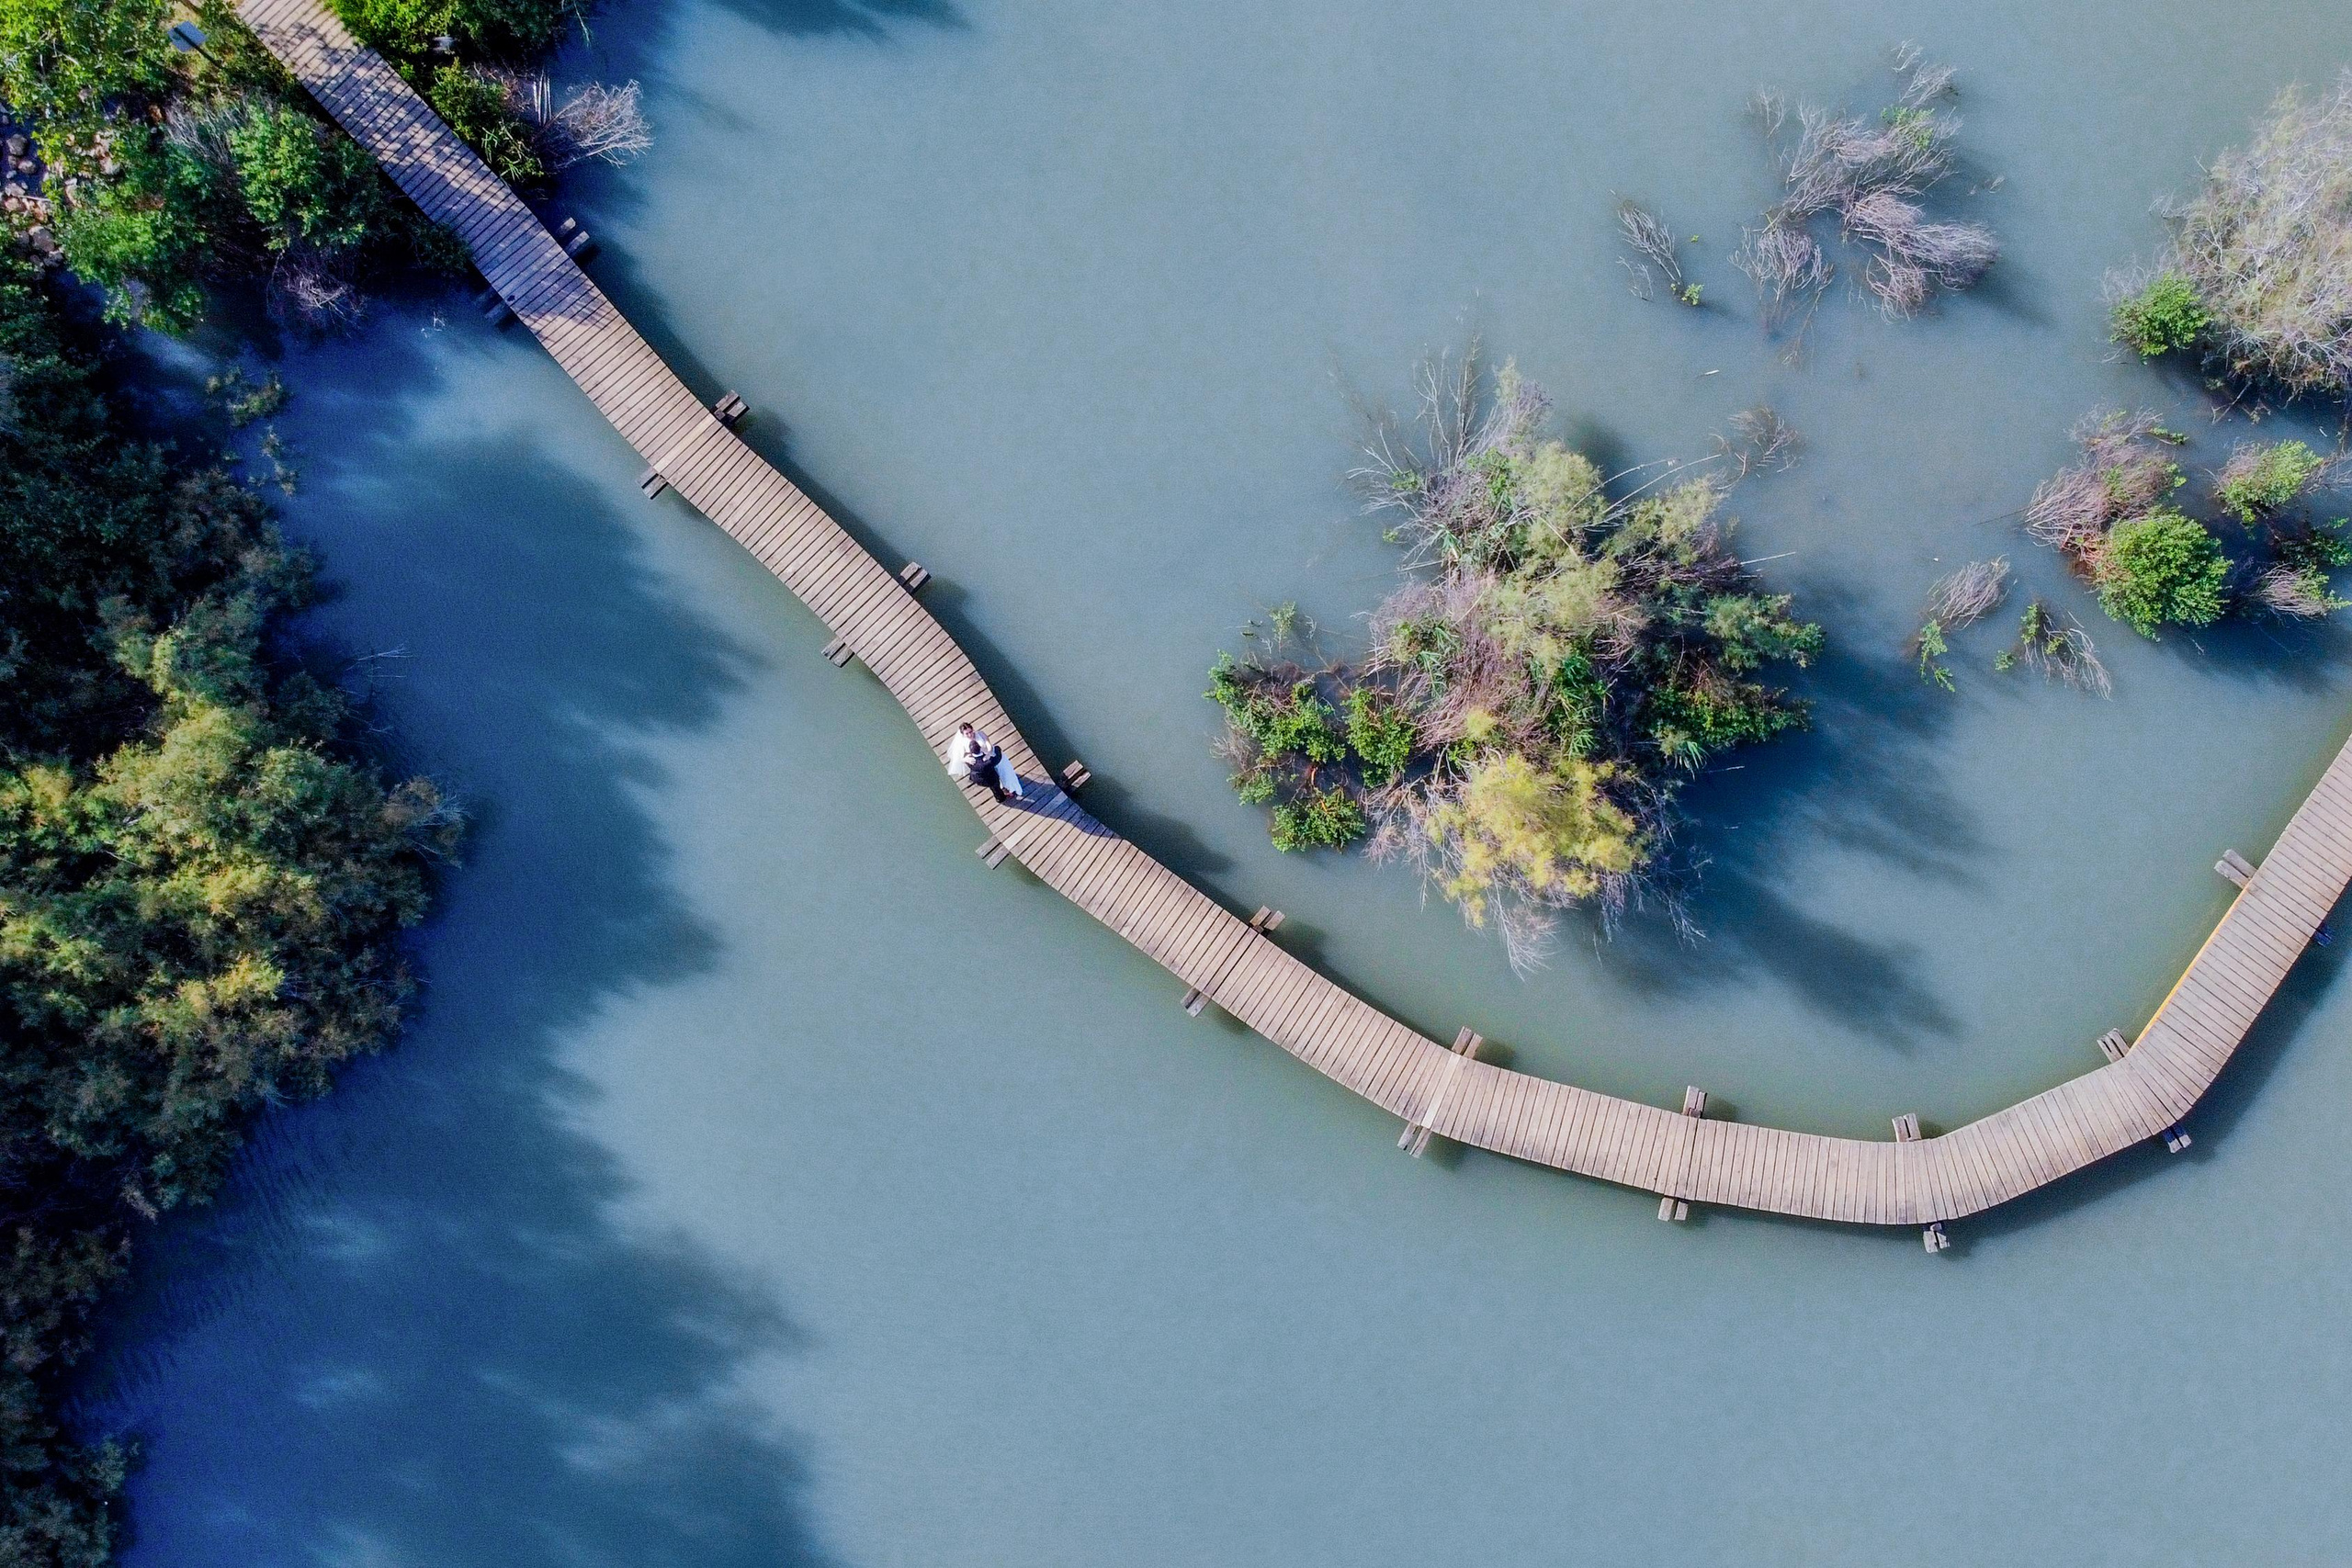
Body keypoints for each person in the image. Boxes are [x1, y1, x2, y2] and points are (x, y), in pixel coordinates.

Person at [946, 721, 1020, 802]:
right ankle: (1003, 790)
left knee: (1004, 774)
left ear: (973, 729)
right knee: (994, 779)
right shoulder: (962, 744)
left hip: (991, 757)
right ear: (963, 734)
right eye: (967, 733)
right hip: (983, 764)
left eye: (971, 732)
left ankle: (1009, 788)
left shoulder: (980, 734)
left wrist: (988, 753)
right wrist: (965, 759)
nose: (970, 735)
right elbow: (959, 758)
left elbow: (988, 744)